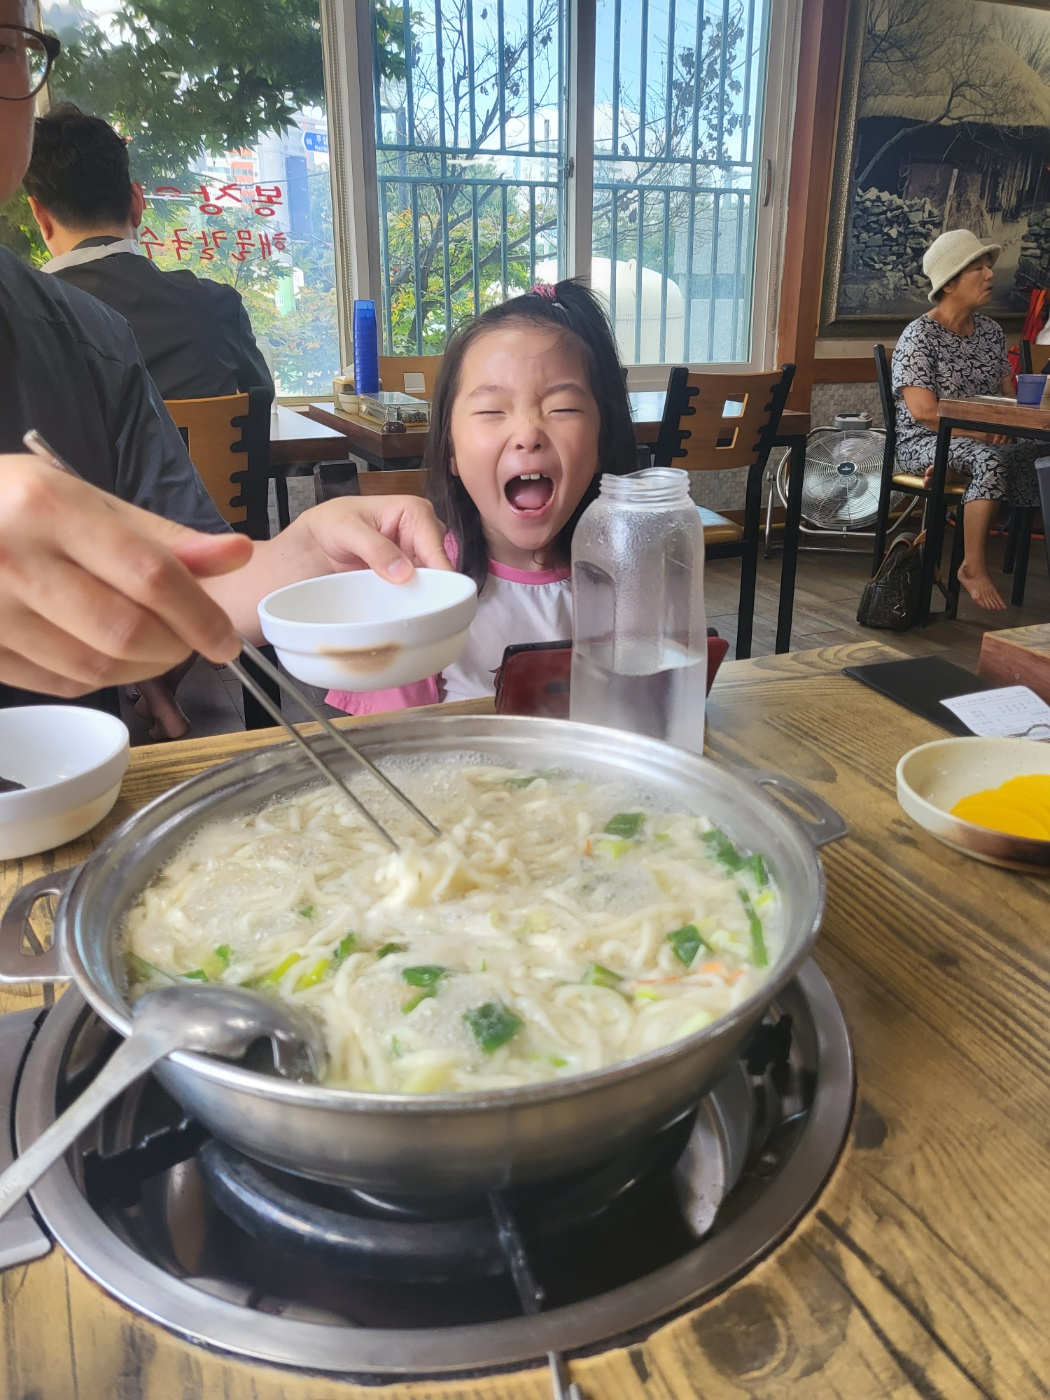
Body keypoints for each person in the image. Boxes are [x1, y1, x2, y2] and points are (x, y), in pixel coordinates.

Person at [0, 4, 451, 703]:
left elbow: (194, 573)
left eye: (2, 46)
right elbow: (258, 398)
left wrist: (304, 551)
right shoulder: (206, 304)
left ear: (38, 209)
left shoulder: (91, 337)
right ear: (137, 204)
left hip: (94, 764)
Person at [327, 280, 636, 714]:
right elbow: (392, 738)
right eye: (492, 411)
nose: (528, 434)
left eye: (563, 408)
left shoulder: (629, 579)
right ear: (450, 451)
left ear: (601, 442)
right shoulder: (418, 586)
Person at [23, 103, 274, 402]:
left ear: (40, 215)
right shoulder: (218, 306)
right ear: (136, 202)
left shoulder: (18, 319)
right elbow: (259, 405)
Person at [892, 227, 1041, 612]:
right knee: (990, 460)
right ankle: (972, 565)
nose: (990, 274)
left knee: (1041, 453)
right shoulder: (919, 336)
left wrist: (1007, 424)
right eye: (978, 268)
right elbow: (924, 412)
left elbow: (1006, 395)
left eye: (988, 266)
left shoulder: (991, 332)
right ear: (949, 283)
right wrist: (983, 434)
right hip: (925, 441)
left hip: (983, 436)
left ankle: (953, 473)